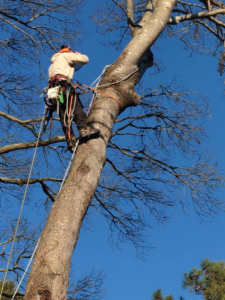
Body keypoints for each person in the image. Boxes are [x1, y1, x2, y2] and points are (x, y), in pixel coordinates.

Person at [48, 45, 99, 152]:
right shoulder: (67, 55)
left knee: (64, 116)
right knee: (77, 107)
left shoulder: (53, 63)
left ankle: (70, 140)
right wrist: (77, 55)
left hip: (54, 91)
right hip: (64, 85)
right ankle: (83, 130)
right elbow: (85, 60)